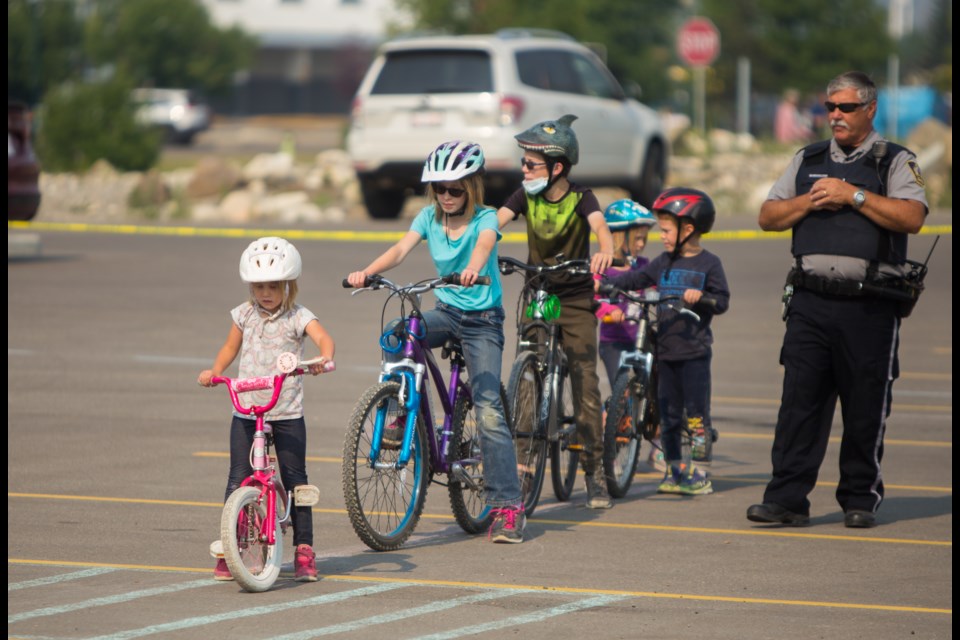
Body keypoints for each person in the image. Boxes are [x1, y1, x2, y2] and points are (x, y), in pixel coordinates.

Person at [748, 71, 928, 529]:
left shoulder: (894, 160)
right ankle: (786, 499)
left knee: (866, 404)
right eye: (830, 107)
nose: (835, 116)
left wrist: (855, 195)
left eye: (846, 108)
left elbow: (912, 217)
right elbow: (769, 216)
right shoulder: (806, 159)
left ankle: (859, 498)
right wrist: (809, 201)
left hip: (870, 305)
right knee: (799, 405)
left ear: (870, 109)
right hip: (810, 302)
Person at [346, 140, 527, 543]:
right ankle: (397, 414)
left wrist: (473, 270)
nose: (446, 196)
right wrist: (366, 272)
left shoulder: (486, 219)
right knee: (398, 330)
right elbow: (400, 250)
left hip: (482, 321)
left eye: (455, 189)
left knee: (489, 410)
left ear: (473, 186)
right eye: (439, 189)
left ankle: (508, 507)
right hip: (446, 313)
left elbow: (483, 246)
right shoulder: (429, 218)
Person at [198, 237, 336, 581]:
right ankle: (231, 549)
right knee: (236, 479)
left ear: (289, 285)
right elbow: (230, 347)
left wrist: (323, 358)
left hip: (286, 410)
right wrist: (215, 373)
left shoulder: (298, 316)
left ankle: (304, 550)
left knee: (295, 480)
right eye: (259, 286)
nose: (265, 293)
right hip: (247, 409)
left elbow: (324, 339)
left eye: (273, 286)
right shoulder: (243, 314)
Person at [496, 114, 616, 509]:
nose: (524, 169)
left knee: (585, 379)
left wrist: (606, 249)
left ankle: (595, 470)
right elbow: (497, 220)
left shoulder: (583, 197)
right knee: (527, 377)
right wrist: (479, 244)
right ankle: (523, 466)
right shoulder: (525, 195)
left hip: (576, 298)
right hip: (540, 294)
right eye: (523, 161)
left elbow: (599, 226)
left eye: (531, 163)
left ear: (558, 167)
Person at [605, 187, 730, 496]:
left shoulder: (709, 264)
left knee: (696, 416)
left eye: (665, 229)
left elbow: (722, 300)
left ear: (688, 229)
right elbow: (636, 279)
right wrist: (609, 284)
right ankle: (674, 469)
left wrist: (702, 297)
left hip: (694, 353)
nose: (660, 235)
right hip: (665, 352)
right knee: (669, 414)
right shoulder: (662, 263)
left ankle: (699, 471)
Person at [593, 198, 665, 472]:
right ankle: (611, 443)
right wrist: (608, 311)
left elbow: (660, 289)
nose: (641, 244)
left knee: (657, 391)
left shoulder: (645, 266)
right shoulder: (603, 267)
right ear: (618, 235)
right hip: (615, 342)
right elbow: (594, 295)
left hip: (644, 339)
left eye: (644, 238)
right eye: (637, 238)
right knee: (621, 395)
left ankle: (658, 444)